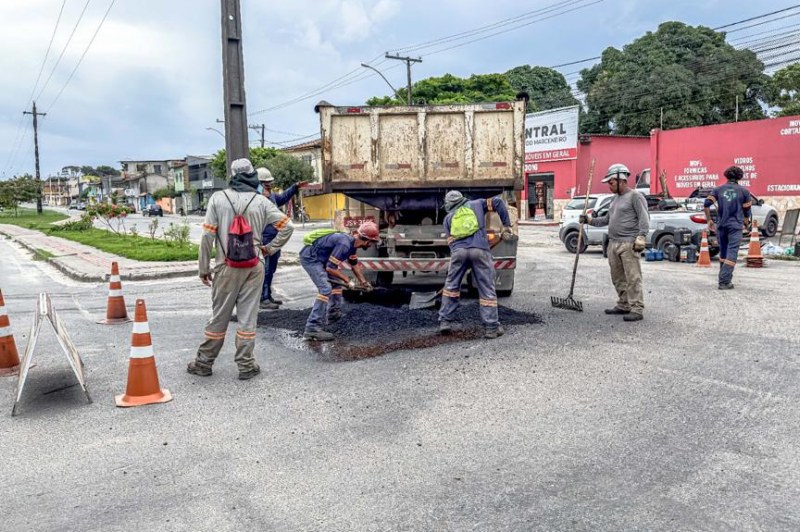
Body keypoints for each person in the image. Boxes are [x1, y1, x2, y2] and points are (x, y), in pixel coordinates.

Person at [187, 158, 294, 380]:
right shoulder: (262, 201)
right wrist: (269, 249)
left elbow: (207, 235)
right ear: (252, 175)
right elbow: (287, 226)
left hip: (225, 266)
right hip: (255, 266)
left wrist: (203, 267)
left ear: (232, 174)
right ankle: (246, 365)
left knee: (219, 317)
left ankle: (204, 363)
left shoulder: (218, 198)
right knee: (247, 319)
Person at [439, 191, 513, 339]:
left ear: (448, 204)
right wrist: (506, 225)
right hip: (480, 251)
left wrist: (461, 254)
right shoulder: (477, 204)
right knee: (486, 288)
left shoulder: (448, 218)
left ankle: (445, 322)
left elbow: (451, 243)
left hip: (459, 252)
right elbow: (498, 202)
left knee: (451, 287)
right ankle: (491, 328)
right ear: (462, 199)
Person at [581, 163, 649, 322]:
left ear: (621, 179)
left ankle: (637, 308)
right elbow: (606, 220)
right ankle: (624, 304)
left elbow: (644, 218)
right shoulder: (614, 199)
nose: (609, 186)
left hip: (628, 243)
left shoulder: (635, 196)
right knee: (617, 277)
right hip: (613, 243)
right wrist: (589, 220)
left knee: (633, 277)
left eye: (611, 183)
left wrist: (641, 236)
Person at [299, 221, 380, 341]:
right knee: (325, 289)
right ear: (367, 241)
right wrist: (348, 281)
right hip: (311, 258)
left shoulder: (352, 245)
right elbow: (330, 268)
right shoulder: (345, 244)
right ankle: (312, 328)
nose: (371, 245)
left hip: (321, 259)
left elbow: (354, 264)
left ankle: (333, 314)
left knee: (336, 284)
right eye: (372, 242)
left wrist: (363, 282)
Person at [256, 167, 308, 310]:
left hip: (275, 239)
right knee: (265, 270)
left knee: (271, 269)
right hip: (265, 240)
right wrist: (262, 194)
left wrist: (294, 187)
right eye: (266, 183)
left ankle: (268, 295)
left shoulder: (271, 196)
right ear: (258, 183)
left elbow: (283, 198)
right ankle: (263, 298)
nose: (269, 185)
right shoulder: (257, 198)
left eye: (270, 182)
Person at [703, 165, 752, 290]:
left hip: (721, 225)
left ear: (727, 175)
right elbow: (747, 211)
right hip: (735, 226)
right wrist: (747, 223)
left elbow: (706, 204)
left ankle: (725, 279)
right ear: (739, 177)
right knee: (732, 252)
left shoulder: (718, 190)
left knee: (723, 252)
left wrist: (709, 220)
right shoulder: (744, 191)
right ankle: (724, 281)